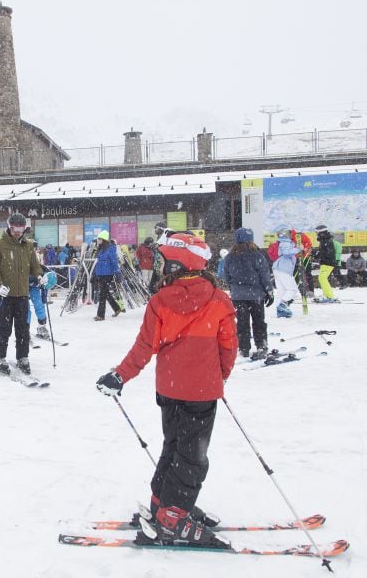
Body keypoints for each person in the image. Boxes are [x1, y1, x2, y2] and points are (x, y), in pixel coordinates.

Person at [95, 232, 237, 548]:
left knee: (174, 447)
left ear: (176, 264)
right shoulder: (218, 301)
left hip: (170, 389)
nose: (160, 266)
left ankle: (165, 504)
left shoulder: (160, 301)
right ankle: (173, 518)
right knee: (193, 458)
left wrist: (120, 375)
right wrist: (218, 378)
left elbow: (145, 345)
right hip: (201, 392)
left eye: (164, 260)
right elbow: (228, 348)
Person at [0, 212, 44, 374]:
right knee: (4, 328)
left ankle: (22, 357)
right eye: (14, 229)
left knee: (23, 328)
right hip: (6, 295)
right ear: (9, 227)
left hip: (22, 294)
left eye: (21, 228)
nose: (18, 232)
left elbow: (34, 265)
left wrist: (40, 276)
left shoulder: (27, 246)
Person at [223, 227, 274, 357]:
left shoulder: (230, 257)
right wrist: (269, 291)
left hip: (238, 295)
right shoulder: (257, 256)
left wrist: (234, 287)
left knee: (242, 323)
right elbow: (265, 275)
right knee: (259, 321)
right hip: (256, 295)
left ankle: (244, 348)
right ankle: (261, 345)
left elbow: (226, 276)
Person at [270, 227, 300, 318]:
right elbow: (287, 253)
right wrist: (298, 249)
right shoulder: (286, 243)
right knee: (292, 289)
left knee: (282, 290)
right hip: (284, 268)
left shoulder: (281, 242)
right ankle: (283, 305)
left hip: (278, 268)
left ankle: (281, 310)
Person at [93, 230, 122, 321]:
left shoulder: (110, 249)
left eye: (100, 239)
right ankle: (117, 308)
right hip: (100, 273)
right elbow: (98, 262)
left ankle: (100, 315)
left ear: (104, 240)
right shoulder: (101, 249)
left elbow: (114, 262)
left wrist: (117, 273)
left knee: (102, 294)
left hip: (107, 274)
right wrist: (95, 273)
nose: (98, 241)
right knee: (105, 293)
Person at [313, 225, 338, 301]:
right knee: (322, 278)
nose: (316, 234)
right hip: (325, 263)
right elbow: (322, 252)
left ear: (321, 232)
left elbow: (326, 253)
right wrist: (316, 254)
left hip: (328, 263)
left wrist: (317, 254)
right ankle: (327, 294)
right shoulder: (324, 240)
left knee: (322, 278)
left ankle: (330, 296)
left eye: (317, 232)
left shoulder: (327, 241)